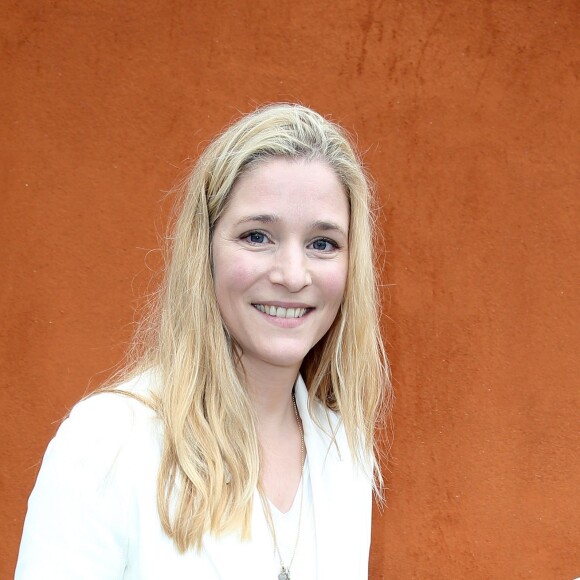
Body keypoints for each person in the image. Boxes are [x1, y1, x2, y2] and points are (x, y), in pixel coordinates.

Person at [15, 103, 392, 580]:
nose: (293, 275)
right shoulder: (109, 442)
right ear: (205, 251)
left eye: (322, 243)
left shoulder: (345, 452)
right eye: (257, 236)